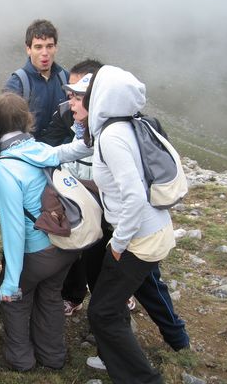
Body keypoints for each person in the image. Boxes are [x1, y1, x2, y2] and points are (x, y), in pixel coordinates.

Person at [73, 66, 180, 383]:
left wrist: (117, 245)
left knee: (103, 311)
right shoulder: (126, 126)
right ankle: (119, 366)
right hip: (151, 231)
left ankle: (143, 379)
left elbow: (133, 198)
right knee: (108, 304)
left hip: (139, 239)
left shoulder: (112, 137)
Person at [0, 92, 81, 371]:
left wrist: (10, 282)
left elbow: (14, 228)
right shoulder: (42, 149)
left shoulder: (4, 167)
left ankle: (22, 360)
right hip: (65, 242)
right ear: (28, 120)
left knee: (18, 300)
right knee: (51, 296)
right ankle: (53, 356)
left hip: (37, 251)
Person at [41, 59, 104, 317]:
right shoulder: (70, 115)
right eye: (71, 93)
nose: (71, 100)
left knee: (101, 255)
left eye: (79, 94)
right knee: (81, 248)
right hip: (78, 194)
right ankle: (78, 296)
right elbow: (61, 145)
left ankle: (109, 307)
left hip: (107, 203)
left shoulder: (112, 133)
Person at [4, 19, 68, 141]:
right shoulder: (17, 84)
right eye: (38, 47)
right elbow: (8, 128)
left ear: (56, 47)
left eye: (49, 46)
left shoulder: (66, 79)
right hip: (29, 154)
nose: (45, 53)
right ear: (28, 49)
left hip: (63, 154)